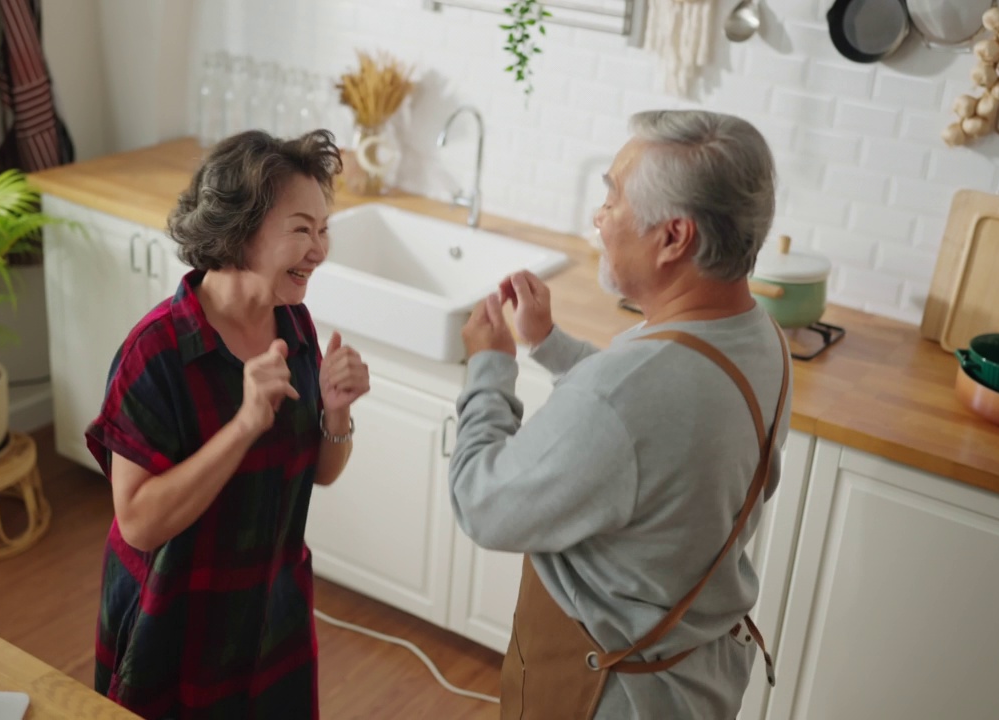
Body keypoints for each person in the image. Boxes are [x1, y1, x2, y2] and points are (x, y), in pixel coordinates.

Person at [449, 109, 792, 719]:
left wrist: (490, 368)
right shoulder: (759, 337)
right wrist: (549, 342)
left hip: (603, 696)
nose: (599, 216)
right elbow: (649, 419)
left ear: (674, 238)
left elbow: (482, 503)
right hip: (696, 686)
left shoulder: (624, 392)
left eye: (612, 196)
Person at [86, 129, 370, 719]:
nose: (319, 249)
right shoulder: (156, 352)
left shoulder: (295, 328)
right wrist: (243, 426)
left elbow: (320, 471)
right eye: (301, 229)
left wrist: (336, 410)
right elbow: (137, 522)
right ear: (241, 228)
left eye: (323, 231)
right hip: (175, 622)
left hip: (271, 613)